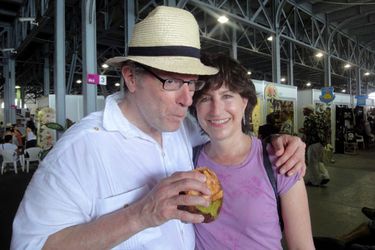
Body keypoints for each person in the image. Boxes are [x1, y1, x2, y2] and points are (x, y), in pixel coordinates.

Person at [11, 6, 306, 250]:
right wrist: (140, 215)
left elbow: (227, 133)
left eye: (191, 84)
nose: (187, 99)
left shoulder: (183, 131)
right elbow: (29, 245)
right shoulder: (80, 151)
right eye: (172, 82)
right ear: (131, 77)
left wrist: (284, 142)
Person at [189, 53, 314, 250]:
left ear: (244, 102)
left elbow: (302, 246)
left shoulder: (280, 160)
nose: (216, 110)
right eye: (205, 98)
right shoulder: (187, 161)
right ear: (195, 106)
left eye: (227, 96)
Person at [300, 104, 330, 187]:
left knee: (312, 163)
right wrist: (326, 140)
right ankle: (325, 176)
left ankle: (315, 181)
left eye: (304, 110)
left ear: (309, 111)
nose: (303, 111)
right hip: (321, 143)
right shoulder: (320, 117)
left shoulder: (308, 119)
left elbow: (308, 131)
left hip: (313, 143)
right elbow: (327, 128)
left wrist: (301, 130)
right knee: (319, 161)